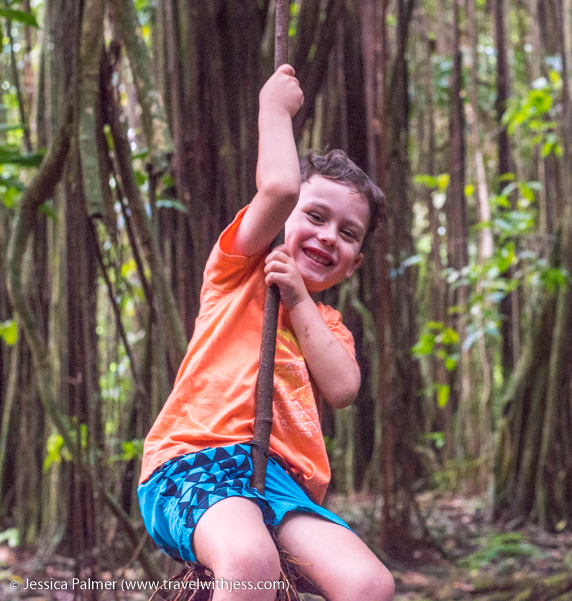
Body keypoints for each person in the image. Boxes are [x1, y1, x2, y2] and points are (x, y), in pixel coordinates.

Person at [137, 64, 394, 601]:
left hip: (280, 488)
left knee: (371, 584)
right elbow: (277, 188)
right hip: (194, 463)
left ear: (354, 264)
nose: (329, 237)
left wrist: (299, 297)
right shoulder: (238, 270)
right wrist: (273, 110)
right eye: (315, 216)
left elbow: (344, 388)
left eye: (348, 234)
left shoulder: (328, 326)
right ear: (282, 219)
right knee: (249, 561)